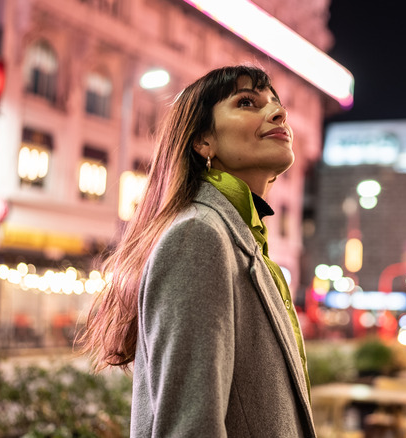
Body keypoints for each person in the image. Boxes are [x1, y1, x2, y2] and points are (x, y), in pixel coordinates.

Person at [80, 65, 315, 437]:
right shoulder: (198, 237)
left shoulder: (240, 236)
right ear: (203, 141)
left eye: (275, 103)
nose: (278, 112)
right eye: (247, 102)